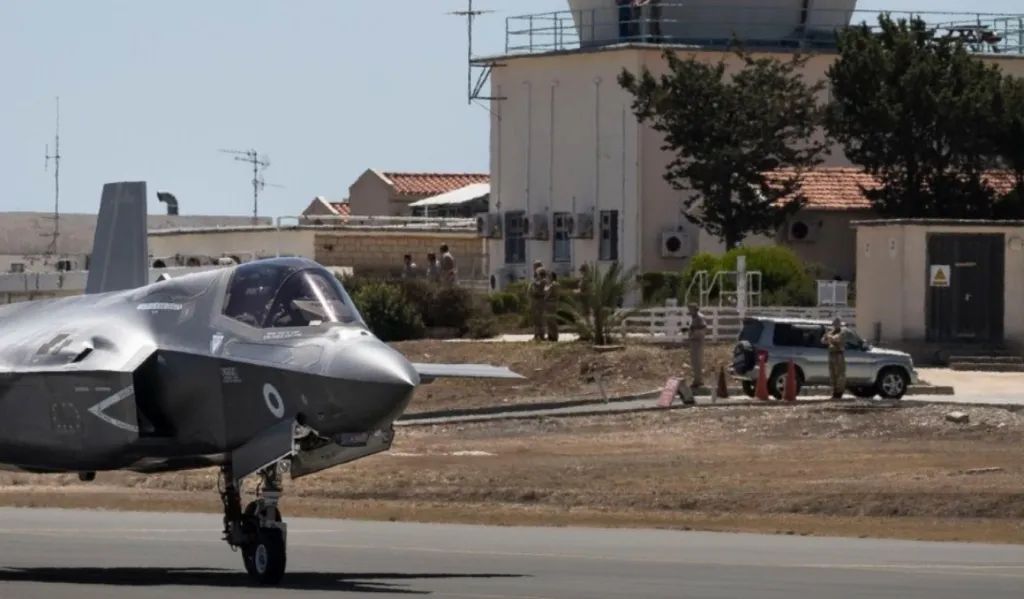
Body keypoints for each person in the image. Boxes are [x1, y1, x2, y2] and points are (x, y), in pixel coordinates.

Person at [822, 318, 848, 399]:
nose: (835, 325)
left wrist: (829, 337)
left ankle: (839, 392)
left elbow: (836, 339)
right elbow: (823, 341)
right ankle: (834, 390)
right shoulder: (831, 332)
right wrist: (827, 336)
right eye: (834, 323)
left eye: (837, 323)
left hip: (839, 354)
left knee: (839, 374)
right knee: (832, 373)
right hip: (831, 354)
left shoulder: (843, 332)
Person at [687, 303, 708, 389]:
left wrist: (694, 332)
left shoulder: (699, 317)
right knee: (694, 362)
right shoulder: (694, 318)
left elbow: (702, 328)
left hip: (698, 342)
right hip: (694, 341)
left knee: (697, 361)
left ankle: (698, 380)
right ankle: (696, 379)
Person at [529, 267, 547, 341]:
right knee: (536, 319)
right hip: (536, 301)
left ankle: (541, 335)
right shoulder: (538, 281)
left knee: (540, 319)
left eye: (538, 274)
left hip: (540, 301)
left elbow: (539, 288)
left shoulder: (543, 281)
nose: (537, 275)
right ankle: (536, 334)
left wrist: (534, 283)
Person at [545, 271, 560, 342]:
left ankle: (554, 336)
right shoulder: (551, 284)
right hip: (549, 303)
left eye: (550, 276)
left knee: (552, 320)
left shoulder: (554, 284)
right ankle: (550, 335)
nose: (548, 277)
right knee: (549, 321)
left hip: (552, 303)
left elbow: (548, 292)